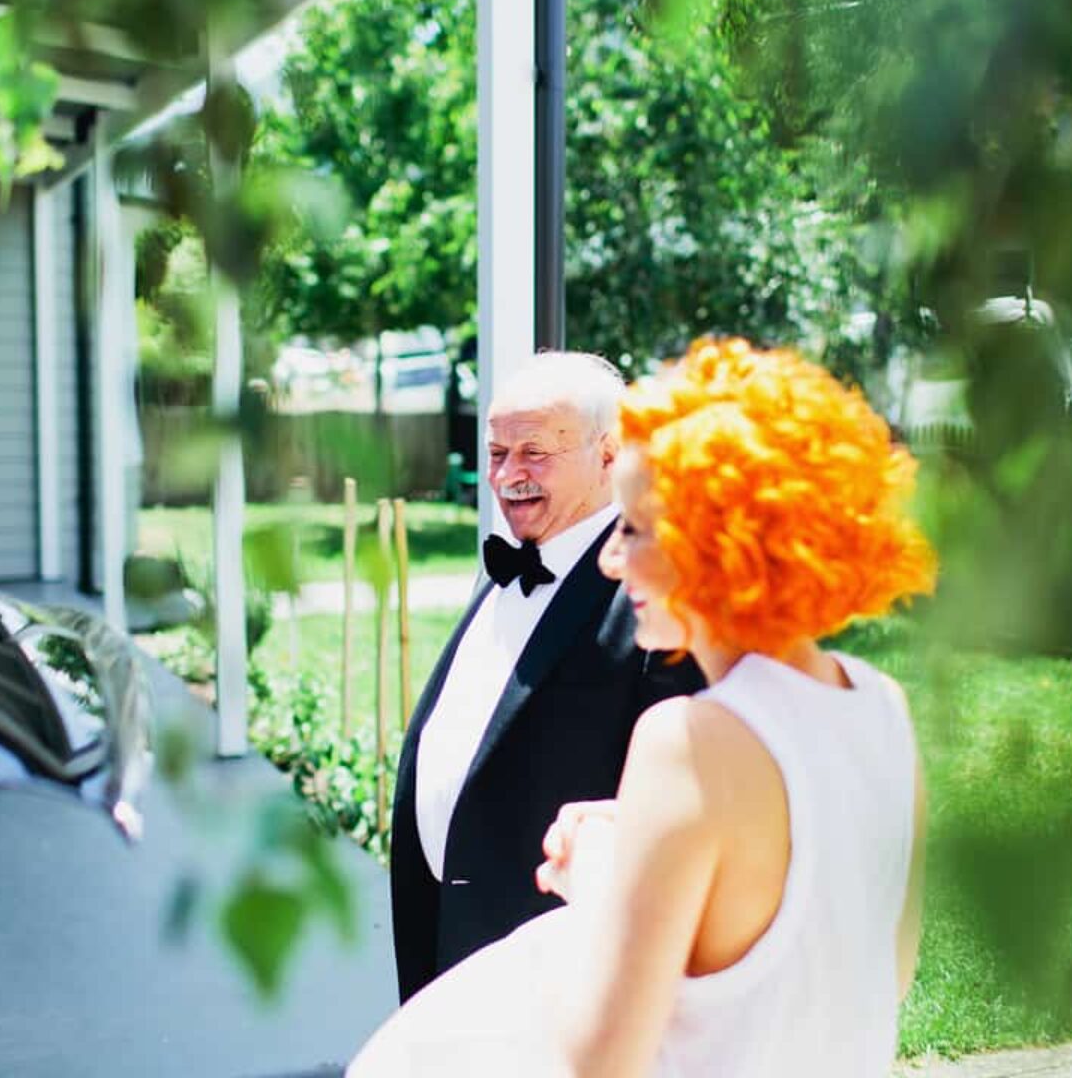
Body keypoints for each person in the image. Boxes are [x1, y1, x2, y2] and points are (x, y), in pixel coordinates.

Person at [354, 338, 937, 1076]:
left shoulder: (688, 740)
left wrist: (603, 877)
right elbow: (887, 973)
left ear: (710, 542)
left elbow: (603, 1064)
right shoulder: (882, 707)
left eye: (631, 529)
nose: (607, 558)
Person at [390, 351, 705, 1002]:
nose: (508, 476)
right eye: (497, 452)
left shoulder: (652, 598)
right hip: (449, 950)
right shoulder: (510, 562)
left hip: (554, 975)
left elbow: (674, 814)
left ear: (610, 453)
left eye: (534, 452)